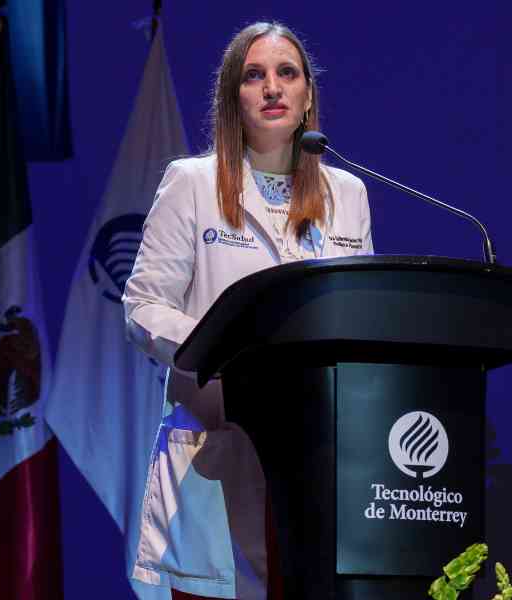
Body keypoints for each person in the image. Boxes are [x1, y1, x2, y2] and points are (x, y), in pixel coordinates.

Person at [122, 21, 373, 600]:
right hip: (219, 439)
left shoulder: (348, 195)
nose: (272, 88)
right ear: (232, 96)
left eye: (287, 74)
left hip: (319, 451)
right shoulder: (192, 183)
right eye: (254, 75)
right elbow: (143, 305)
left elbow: (360, 317)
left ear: (308, 94)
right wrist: (227, 352)